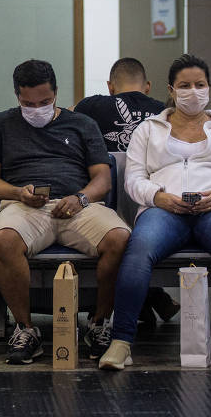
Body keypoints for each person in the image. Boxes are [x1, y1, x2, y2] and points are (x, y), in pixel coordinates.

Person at [99, 54, 211, 376]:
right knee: (137, 256)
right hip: (164, 210)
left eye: (199, 84)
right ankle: (121, 342)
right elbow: (134, 179)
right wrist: (158, 197)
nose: (193, 91)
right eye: (184, 86)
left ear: (210, 87)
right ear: (170, 89)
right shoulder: (148, 130)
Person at [0, 59, 130, 364]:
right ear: (17, 96)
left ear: (57, 93)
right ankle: (25, 329)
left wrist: (80, 198)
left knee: (119, 238)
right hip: (24, 205)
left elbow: (102, 178)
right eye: (28, 103)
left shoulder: (82, 124)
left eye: (44, 101)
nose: (37, 108)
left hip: (79, 207)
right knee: (4, 239)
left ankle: (99, 323)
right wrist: (18, 192)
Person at [73, 58, 180, 324]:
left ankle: (148, 300)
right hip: (152, 198)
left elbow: (68, 123)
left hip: (102, 198)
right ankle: (153, 297)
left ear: (110, 86)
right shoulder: (163, 112)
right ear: (147, 86)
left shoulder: (91, 106)